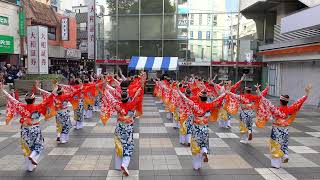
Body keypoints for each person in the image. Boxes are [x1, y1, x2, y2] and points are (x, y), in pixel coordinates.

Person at [257, 84, 312, 169]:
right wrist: (306, 94)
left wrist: (258, 91)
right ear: (287, 102)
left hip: (276, 130)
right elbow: (299, 102)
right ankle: (285, 154)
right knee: (284, 143)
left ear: (280, 101)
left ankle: (276, 164)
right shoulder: (290, 109)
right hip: (285, 129)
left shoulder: (275, 109)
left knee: (275, 145)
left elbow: (264, 100)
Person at [1, 84, 54, 172]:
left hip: (25, 129)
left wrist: (3, 90)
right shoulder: (39, 106)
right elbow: (50, 97)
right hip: (35, 128)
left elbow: (11, 98)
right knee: (39, 145)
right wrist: (53, 89)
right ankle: (33, 156)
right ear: (34, 100)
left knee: (27, 147)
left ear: (25, 100)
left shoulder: (20, 106)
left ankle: (29, 167)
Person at [178, 90, 225, 170]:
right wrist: (225, 93)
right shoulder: (209, 105)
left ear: (199, 98)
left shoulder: (195, 106)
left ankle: (196, 166)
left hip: (196, 128)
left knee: (195, 146)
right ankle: (204, 151)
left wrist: (179, 91)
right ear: (206, 99)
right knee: (203, 143)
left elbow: (185, 98)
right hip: (205, 128)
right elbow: (218, 100)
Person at [102, 85, 143, 176]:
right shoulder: (132, 104)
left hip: (120, 127)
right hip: (128, 128)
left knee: (119, 145)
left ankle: (117, 165)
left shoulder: (117, 105)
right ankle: (124, 164)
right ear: (128, 98)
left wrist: (105, 88)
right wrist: (142, 85)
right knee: (128, 146)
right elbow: (138, 95)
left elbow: (110, 98)